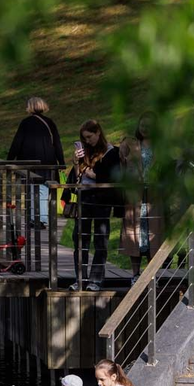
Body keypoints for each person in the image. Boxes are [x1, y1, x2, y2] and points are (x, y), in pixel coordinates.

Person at [67, 119, 121, 291]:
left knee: (100, 240)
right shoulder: (85, 152)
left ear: (98, 133)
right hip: (84, 197)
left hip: (102, 199)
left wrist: (93, 174)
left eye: (89, 137)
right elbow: (76, 178)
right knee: (80, 239)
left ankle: (95, 280)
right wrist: (76, 163)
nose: (87, 141)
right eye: (84, 138)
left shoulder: (111, 152)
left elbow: (113, 178)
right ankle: (80, 279)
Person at [6, 96, 63, 226]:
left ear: (30, 107)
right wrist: (61, 161)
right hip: (47, 162)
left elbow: (17, 143)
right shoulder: (50, 122)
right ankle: (41, 218)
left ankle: (34, 218)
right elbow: (57, 143)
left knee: (31, 190)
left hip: (28, 162)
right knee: (43, 190)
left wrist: (9, 160)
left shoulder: (25, 123)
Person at [118, 118, 162, 284]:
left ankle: (151, 275)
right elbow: (122, 166)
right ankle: (135, 274)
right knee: (134, 237)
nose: (145, 128)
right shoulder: (131, 145)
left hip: (153, 199)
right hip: (135, 198)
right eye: (143, 125)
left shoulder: (161, 147)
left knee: (153, 237)